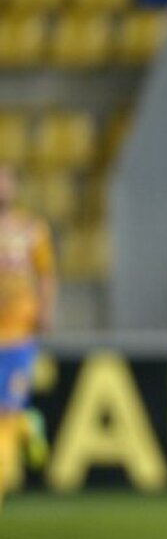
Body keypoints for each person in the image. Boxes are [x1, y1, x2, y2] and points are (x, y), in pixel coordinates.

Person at [0, 165, 55, 511]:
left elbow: (46, 274)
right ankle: (29, 427)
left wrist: (45, 311)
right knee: (8, 417)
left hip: (19, 337)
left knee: (6, 412)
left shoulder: (32, 230)